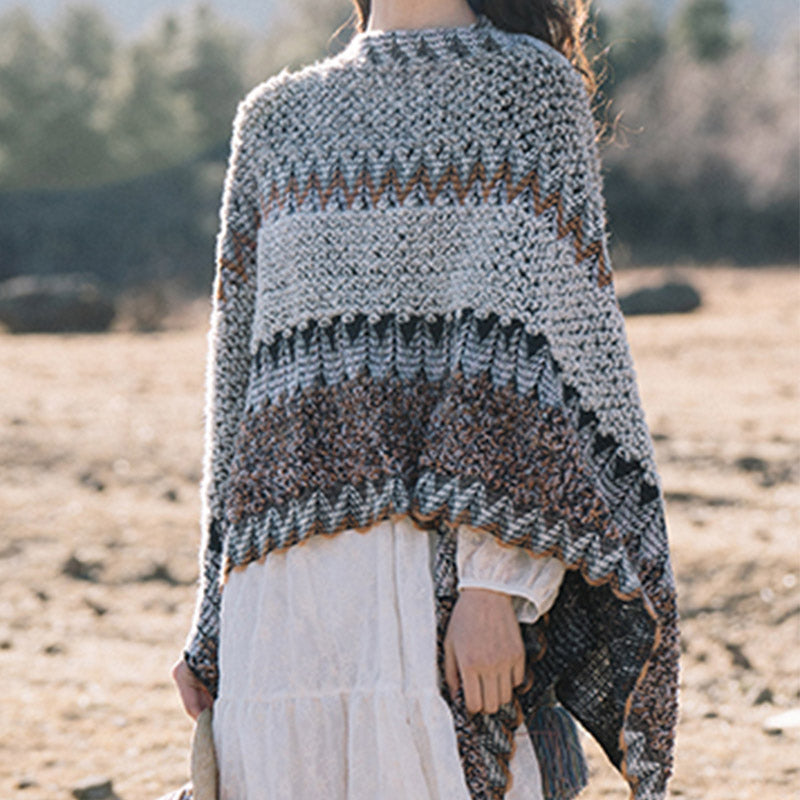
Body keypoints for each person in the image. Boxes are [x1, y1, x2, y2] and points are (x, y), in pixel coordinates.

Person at [170, 0, 680, 798]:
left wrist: (493, 586)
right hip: (285, 597)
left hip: (435, 580)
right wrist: (211, 611)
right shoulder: (273, 119)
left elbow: (530, 355)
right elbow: (239, 382)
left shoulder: (528, 91)